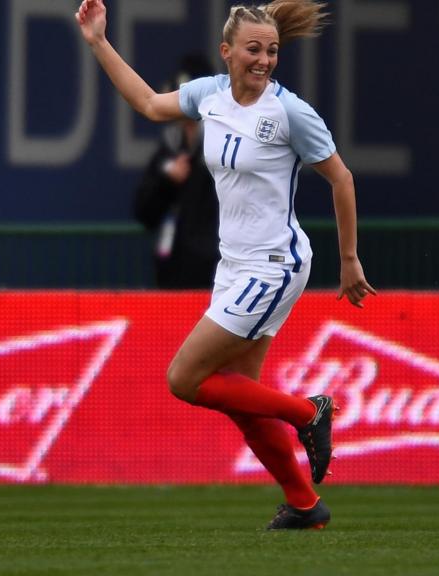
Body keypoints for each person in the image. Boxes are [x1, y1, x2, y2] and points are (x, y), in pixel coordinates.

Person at [76, 0, 377, 530]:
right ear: (227, 52)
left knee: (184, 378)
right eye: (254, 50)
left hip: (274, 266)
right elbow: (148, 103)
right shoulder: (209, 95)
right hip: (234, 268)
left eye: (273, 51)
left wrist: (349, 259)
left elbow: (342, 179)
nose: (264, 61)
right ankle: (306, 506)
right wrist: (100, 41)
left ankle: (310, 413)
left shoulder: (289, 112)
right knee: (241, 400)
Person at [133, 54, 220, 289]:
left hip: (217, 275)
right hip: (173, 275)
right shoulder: (170, 147)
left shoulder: (223, 144)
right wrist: (167, 182)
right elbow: (144, 212)